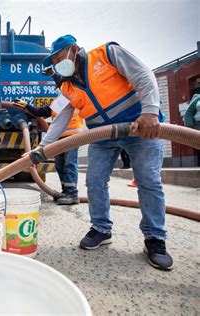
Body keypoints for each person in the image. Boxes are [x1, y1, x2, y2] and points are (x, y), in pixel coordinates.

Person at [34, 35, 172, 270]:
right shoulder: (67, 87)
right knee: (95, 181)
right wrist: (41, 147)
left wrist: (150, 111)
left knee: (148, 182)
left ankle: (155, 238)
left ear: (73, 50)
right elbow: (58, 120)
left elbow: (144, 75)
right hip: (102, 137)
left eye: (59, 58)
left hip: (140, 129)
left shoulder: (107, 54)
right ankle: (101, 228)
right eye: (54, 62)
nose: (58, 65)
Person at [15, 98, 85, 205]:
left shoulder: (73, 99)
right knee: (60, 164)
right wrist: (26, 106)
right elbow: (40, 112)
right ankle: (65, 191)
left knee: (69, 163)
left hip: (73, 136)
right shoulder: (58, 102)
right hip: (58, 137)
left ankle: (72, 194)